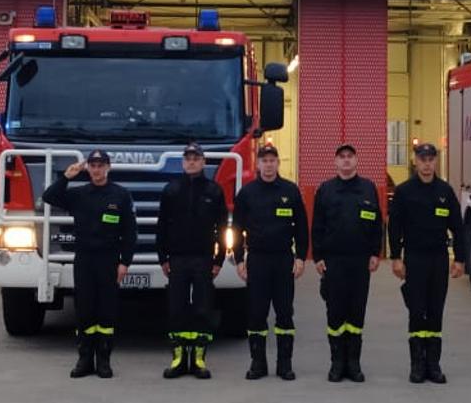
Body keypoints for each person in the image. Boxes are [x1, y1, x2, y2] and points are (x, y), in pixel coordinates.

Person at [41, 150, 137, 380]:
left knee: (106, 312)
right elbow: (49, 197)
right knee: (84, 311)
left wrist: (125, 262)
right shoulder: (79, 194)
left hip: (109, 260)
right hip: (84, 259)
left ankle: (103, 360)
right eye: (92, 165)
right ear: (88, 169)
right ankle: (84, 359)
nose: (96, 169)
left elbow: (130, 232)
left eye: (101, 165)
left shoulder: (121, 195)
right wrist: (66, 177)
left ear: (108, 168)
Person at [388, 141, 466, 384]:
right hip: (414, 259)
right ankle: (417, 366)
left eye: (431, 159)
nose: (427, 164)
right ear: (416, 161)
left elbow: (458, 228)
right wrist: (396, 258)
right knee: (416, 310)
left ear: (435, 162)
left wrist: (460, 259)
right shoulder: (404, 191)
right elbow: (395, 227)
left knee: (435, 311)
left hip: (438, 259)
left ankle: (433, 365)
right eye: (423, 159)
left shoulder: (445, 191)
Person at [233, 142, 309, 381]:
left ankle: (284, 365)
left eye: (272, 160)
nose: (268, 164)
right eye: (264, 160)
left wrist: (300, 257)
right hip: (257, 260)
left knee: (285, 313)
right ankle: (258, 364)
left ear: (278, 163)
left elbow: (302, 229)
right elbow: (236, 229)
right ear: (258, 164)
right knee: (256, 314)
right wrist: (238, 259)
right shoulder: (247, 193)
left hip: (283, 260)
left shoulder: (290, 191)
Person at [158, 142, 229, 379]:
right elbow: (162, 227)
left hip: (203, 259)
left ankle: (198, 360)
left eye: (196, 158)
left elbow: (222, 228)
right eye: (188, 158)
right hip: (177, 259)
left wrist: (218, 260)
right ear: (182, 162)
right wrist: (162, 258)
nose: (191, 162)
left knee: (202, 309)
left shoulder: (214, 191)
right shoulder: (171, 190)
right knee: (176, 309)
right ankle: (178, 359)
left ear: (203, 162)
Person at [313, 142, 382, 383]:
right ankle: (336, 364)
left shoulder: (368, 188)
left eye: (349, 156)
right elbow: (317, 226)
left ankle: (353, 363)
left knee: (356, 313)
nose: (345, 160)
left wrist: (376, 253)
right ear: (335, 162)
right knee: (335, 313)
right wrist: (318, 257)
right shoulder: (326, 190)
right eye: (341, 156)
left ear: (356, 160)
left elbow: (376, 224)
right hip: (334, 262)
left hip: (360, 262)